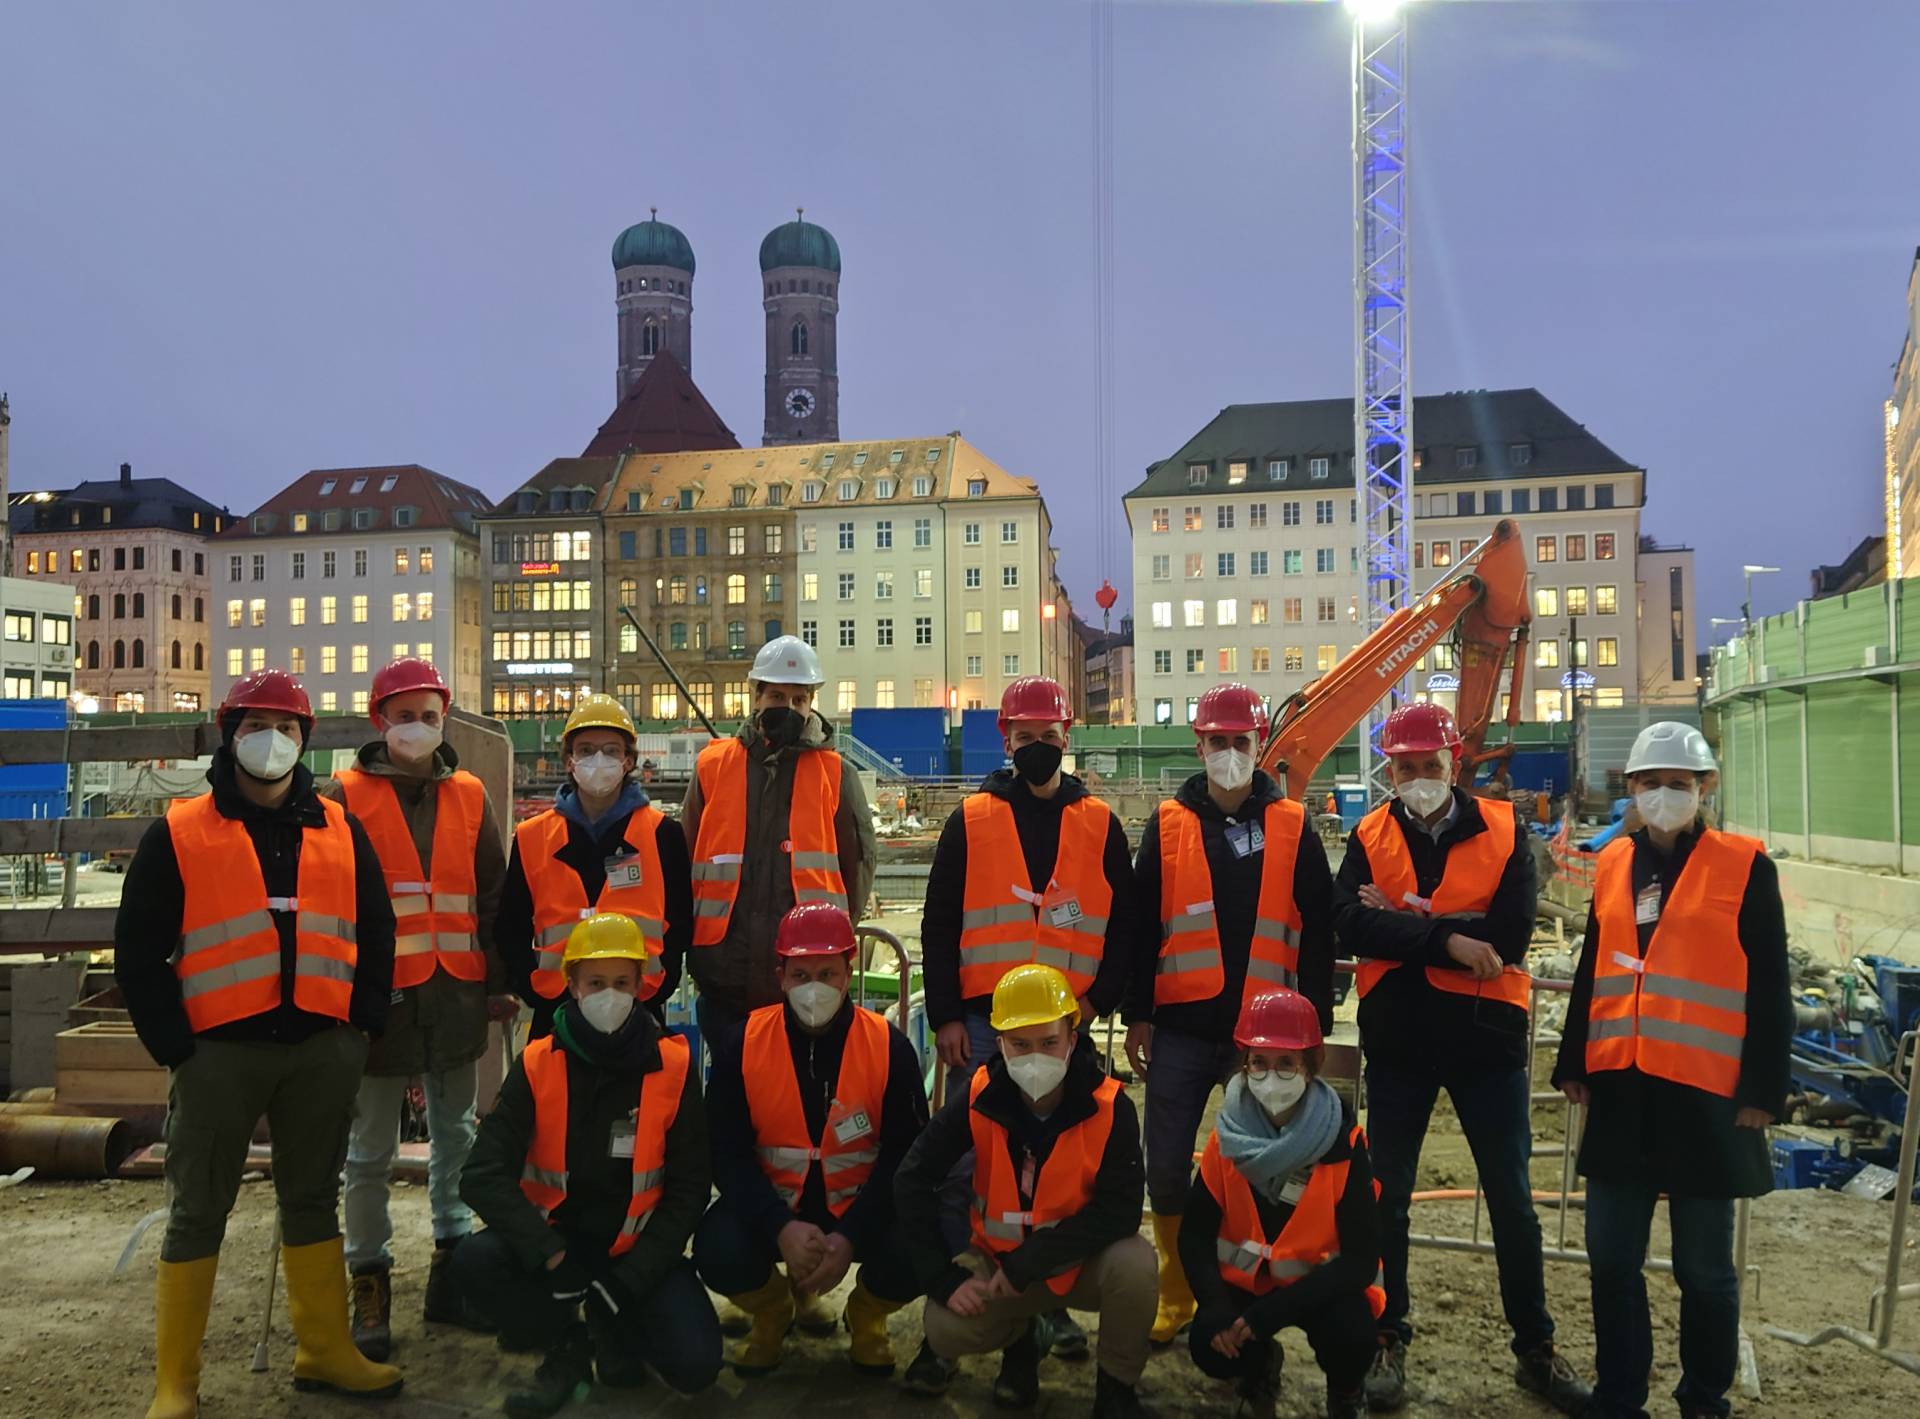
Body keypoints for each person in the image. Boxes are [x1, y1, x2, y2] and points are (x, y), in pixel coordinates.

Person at [115, 669, 403, 1416]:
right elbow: (138, 949)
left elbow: (376, 930)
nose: (269, 739)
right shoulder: (179, 829)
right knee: (197, 1208)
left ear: (305, 737)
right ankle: (176, 1380)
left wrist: (360, 1026)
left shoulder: (340, 827)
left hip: (319, 1048)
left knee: (312, 1201)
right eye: (253, 724)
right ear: (228, 731)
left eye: (285, 725)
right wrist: (176, 1046)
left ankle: (324, 1348)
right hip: (218, 1055)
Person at [1332, 702, 1588, 1414]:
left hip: (1487, 1043)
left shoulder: (1507, 829)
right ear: (1390, 768)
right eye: (1405, 766)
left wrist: (1403, 919)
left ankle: (1535, 1345)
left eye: (1429, 765)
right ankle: (1389, 1330)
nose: (1417, 777)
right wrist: (1448, 937)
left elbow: (1505, 934)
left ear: (1454, 763)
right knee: (1387, 1198)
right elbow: (1348, 920)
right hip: (1400, 1044)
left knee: (1511, 1201)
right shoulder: (1369, 831)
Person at [1552, 723, 1791, 1419]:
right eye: (1650, 783)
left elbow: (1770, 987)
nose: (1663, 795)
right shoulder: (1615, 863)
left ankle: (1703, 1397)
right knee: (1611, 1259)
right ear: (1629, 787)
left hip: (1709, 1097)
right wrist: (1575, 1061)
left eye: (1678, 784)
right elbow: (1595, 965)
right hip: (1623, 1089)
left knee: (1705, 1270)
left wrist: (1763, 1091)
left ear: (1704, 789)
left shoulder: (1746, 866)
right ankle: (1620, 1394)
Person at [917, 674, 1137, 1373]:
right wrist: (947, 1013)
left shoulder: (1099, 822)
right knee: (967, 1169)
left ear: (1066, 737)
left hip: (1061, 1032)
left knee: (1058, 1170)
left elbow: (1125, 927)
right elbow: (940, 920)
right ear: (1004, 738)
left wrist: (1096, 1002)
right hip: (987, 1027)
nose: (1038, 747)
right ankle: (961, 1309)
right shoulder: (972, 817)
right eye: (1025, 737)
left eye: (1049, 737)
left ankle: (1047, 1302)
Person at [1127, 682, 1337, 1347]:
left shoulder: (1292, 825)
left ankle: (1250, 1297)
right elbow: (1140, 928)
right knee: (1164, 1164)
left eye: (1239, 742)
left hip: (1266, 1042)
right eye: (1216, 741)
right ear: (1199, 744)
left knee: (1261, 1172)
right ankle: (1176, 1287)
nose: (1228, 753)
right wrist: (1139, 1015)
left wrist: (1316, 1028)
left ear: (1258, 746)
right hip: (1183, 1029)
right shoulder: (1166, 825)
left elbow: (1322, 932)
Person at [455, 912, 720, 1415]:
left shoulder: (673, 1066)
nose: (609, 995)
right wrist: (549, 1253)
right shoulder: (538, 1063)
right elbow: (481, 1174)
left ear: (641, 986)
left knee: (696, 1366)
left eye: (622, 982)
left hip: (634, 1251)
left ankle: (612, 1326)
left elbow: (689, 1189)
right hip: (558, 1247)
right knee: (475, 1262)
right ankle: (566, 1342)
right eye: (595, 982)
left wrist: (631, 1278)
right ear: (571, 985)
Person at [321, 658, 510, 1359]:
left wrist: (498, 977)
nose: (419, 727)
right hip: (377, 1002)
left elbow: (490, 894)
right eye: (405, 714)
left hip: (456, 991)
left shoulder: (468, 793)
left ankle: (452, 1270)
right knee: (368, 1148)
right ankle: (369, 1278)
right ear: (380, 718)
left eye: (430, 715)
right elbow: (325, 898)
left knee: (456, 1133)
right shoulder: (342, 794)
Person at [895, 964, 1158, 1418]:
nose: (1035, 1056)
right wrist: (942, 1278)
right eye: (1020, 1044)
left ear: (1072, 1039)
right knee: (944, 1328)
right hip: (998, 1265)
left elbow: (1120, 1212)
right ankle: (1023, 1342)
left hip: (1077, 1265)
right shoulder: (979, 1096)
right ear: (999, 1043)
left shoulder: (1110, 1107)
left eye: (1048, 1042)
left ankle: (1116, 1391)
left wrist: (1032, 1262)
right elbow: (912, 1177)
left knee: (1135, 1265)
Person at [694, 902, 929, 1378]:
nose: (814, 987)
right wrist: (780, 1225)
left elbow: (906, 1157)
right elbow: (726, 1153)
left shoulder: (888, 1046)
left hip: (862, 1211)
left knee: (926, 1240)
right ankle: (773, 1308)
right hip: (776, 1211)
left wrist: (852, 1236)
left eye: (827, 972)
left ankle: (867, 1314)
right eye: (801, 973)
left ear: (849, 970)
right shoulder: (743, 1044)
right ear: (780, 975)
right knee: (716, 1247)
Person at [1180, 989, 1382, 1419]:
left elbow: (1361, 1261)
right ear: (1245, 1065)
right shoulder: (1226, 1140)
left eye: (1286, 1063)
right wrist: (1215, 1309)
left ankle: (1346, 1392)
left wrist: (1269, 1315)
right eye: (1259, 1063)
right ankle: (1258, 1370)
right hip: (1245, 1287)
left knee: (1354, 1336)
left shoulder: (1344, 1145)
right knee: (1206, 1344)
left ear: (1310, 1067)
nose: (1270, 1077)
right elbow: (1195, 1235)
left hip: (1321, 1292)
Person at [681, 633, 876, 1048]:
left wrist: (832, 948)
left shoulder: (836, 774)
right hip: (724, 978)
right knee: (730, 1099)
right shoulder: (712, 767)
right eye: (776, 696)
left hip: (805, 980)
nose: (787, 708)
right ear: (756, 696)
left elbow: (857, 867)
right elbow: (684, 858)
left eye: (799, 699)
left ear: (811, 703)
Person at [497, 692, 691, 1039]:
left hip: (638, 1008)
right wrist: (534, 988)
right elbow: (510, 929)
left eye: (611, 750)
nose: (598, 760)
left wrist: (658, 989)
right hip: (554, 1012)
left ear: (629, 760)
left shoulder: (662, 834)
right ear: (569, 761)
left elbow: (679, 925)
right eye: (586, 750)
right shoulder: (531, 838)